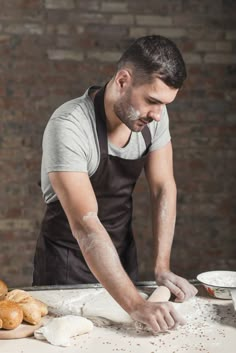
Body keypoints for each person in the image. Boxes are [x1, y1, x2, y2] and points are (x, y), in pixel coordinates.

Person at [33, 35, 197, 333]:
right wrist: (135, 304)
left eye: (164, 104)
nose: (158, 114)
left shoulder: (155, 118)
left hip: (121, 260)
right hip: (66, 267)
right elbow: (85, 223)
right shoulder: (69, 126)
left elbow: (163, 188)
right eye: (152, 101)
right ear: (123, 80)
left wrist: (161, 267)